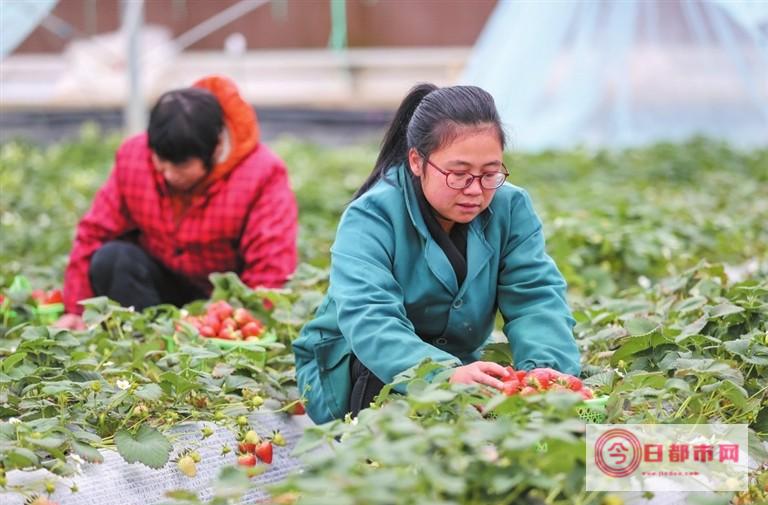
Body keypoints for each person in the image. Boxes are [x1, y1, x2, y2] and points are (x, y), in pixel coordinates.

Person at [292, 83, 580, 424]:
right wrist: (442, 375)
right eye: (458, 175)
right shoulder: (370, 216)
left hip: (457, 363)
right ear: (417, 161)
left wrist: (543, 376)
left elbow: (535, 299)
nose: (475, 190)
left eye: (490, 173)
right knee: (401, 419)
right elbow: (370, 320)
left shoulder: (511, 207)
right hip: (354, 367)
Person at [56, 75, 298, 329]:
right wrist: (75, 309)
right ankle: (146, 339)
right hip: (155, 287)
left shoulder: (262, 173)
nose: (168, 173)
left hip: (221, 300)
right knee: (112, 259)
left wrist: (237, 324)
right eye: (161, 160)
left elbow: (270, 266)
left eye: (181, 165)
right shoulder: (134, 157)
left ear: (215, 149)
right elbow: (94, 232)